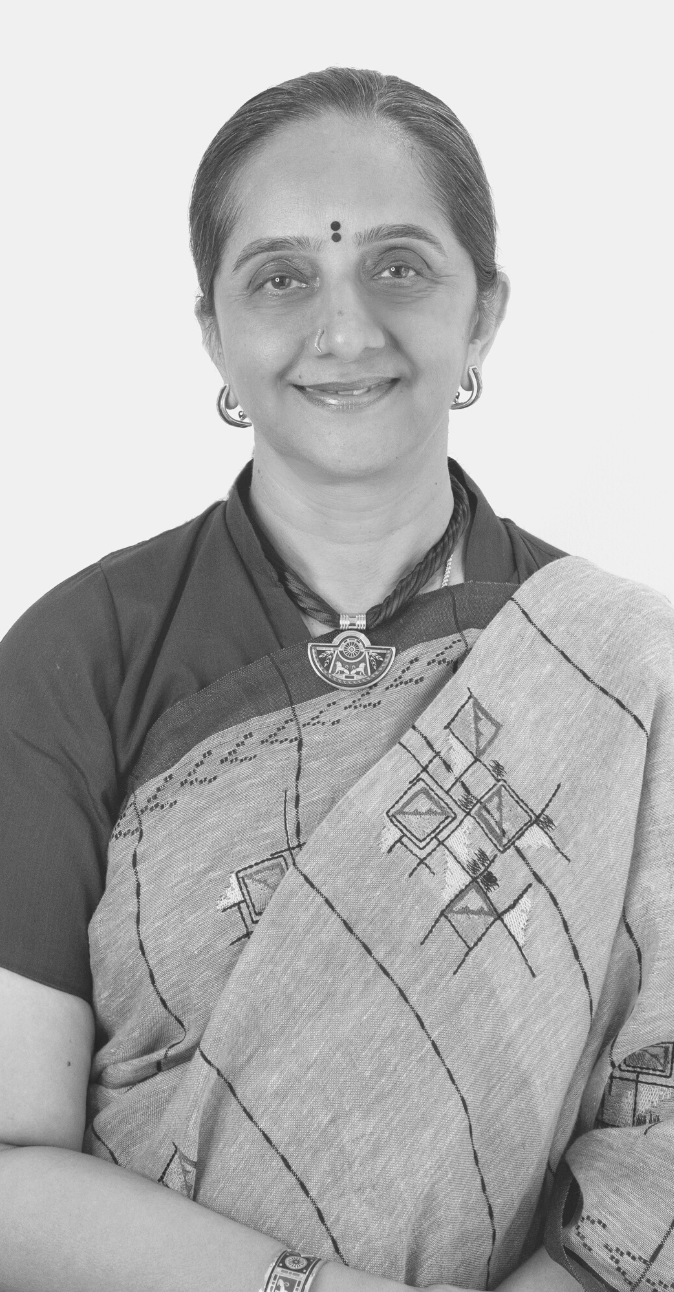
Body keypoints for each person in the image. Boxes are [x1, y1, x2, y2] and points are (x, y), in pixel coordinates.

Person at [0, 66, 672, 1292]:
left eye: (398, 266)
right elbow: (9, 1169)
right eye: (281, 276)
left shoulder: (623, 670)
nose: (346, 328)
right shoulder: (78, 659)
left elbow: (661, 1141)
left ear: (481, 313)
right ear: (213, 329)